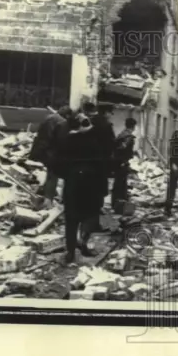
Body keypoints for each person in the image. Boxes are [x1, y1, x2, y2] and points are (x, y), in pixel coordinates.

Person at [55, 112, 101, 264]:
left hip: (73, 184)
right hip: (90, 184)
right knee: (89, 216)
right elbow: (102, 162)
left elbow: (59, 162)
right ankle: (83, 243)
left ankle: (70, 251)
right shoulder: (94, 139)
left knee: (71, 218)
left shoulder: (67, 139)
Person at [29, 105, 73, 208]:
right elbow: (61, 139)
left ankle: (45, 194)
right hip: (53, 152)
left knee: (50, 175)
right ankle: (48, 202)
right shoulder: (62, 122)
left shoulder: (49, 117)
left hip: (43, 151)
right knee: (54, 176)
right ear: (67, 115)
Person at [90, 102, 116, 214]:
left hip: (87, 159)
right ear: (106, 112)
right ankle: (97, 208)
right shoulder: (106, 125)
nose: (111, 115)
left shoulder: (89, 121)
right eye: (110, 113)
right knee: (100, 186)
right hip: (101, 161)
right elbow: (111, 144)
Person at [111, 117, 137, 212]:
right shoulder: (128, 137)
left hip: (117, 162)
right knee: (121, 184)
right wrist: (124, 160)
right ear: (133, 126)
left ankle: (116, 204)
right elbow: (124, 148)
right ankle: (120, 205)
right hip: (122, 162)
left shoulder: (121, 134)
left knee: (118, 183)